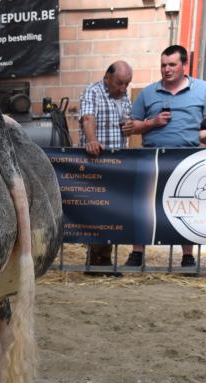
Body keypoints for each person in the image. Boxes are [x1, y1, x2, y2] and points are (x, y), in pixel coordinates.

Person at [126, 45, 206, 270]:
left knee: (186, 206)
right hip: (152, 158)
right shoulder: (148, 93)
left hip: (187, 159)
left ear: (184, 65)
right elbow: (131, 127)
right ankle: (136, 254)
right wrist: (152, 123)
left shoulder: (202, 89)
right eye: (163, 65)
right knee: (144, 205)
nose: (167, 69)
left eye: (172, 64)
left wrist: (198, 135)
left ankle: (188, 257)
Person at [78, 61, 134, 276]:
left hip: (117, 164)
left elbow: (125, 124)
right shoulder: (93, 92)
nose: (123, 88)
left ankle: (103, 262)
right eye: (119, 83)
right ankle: (95, 263)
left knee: (111, 212)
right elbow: (87, 117)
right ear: (107, 77)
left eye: (127, 84)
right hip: (96, 161)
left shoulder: (125, 96)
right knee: (97, 210)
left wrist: (130, 127)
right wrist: (92, 140)